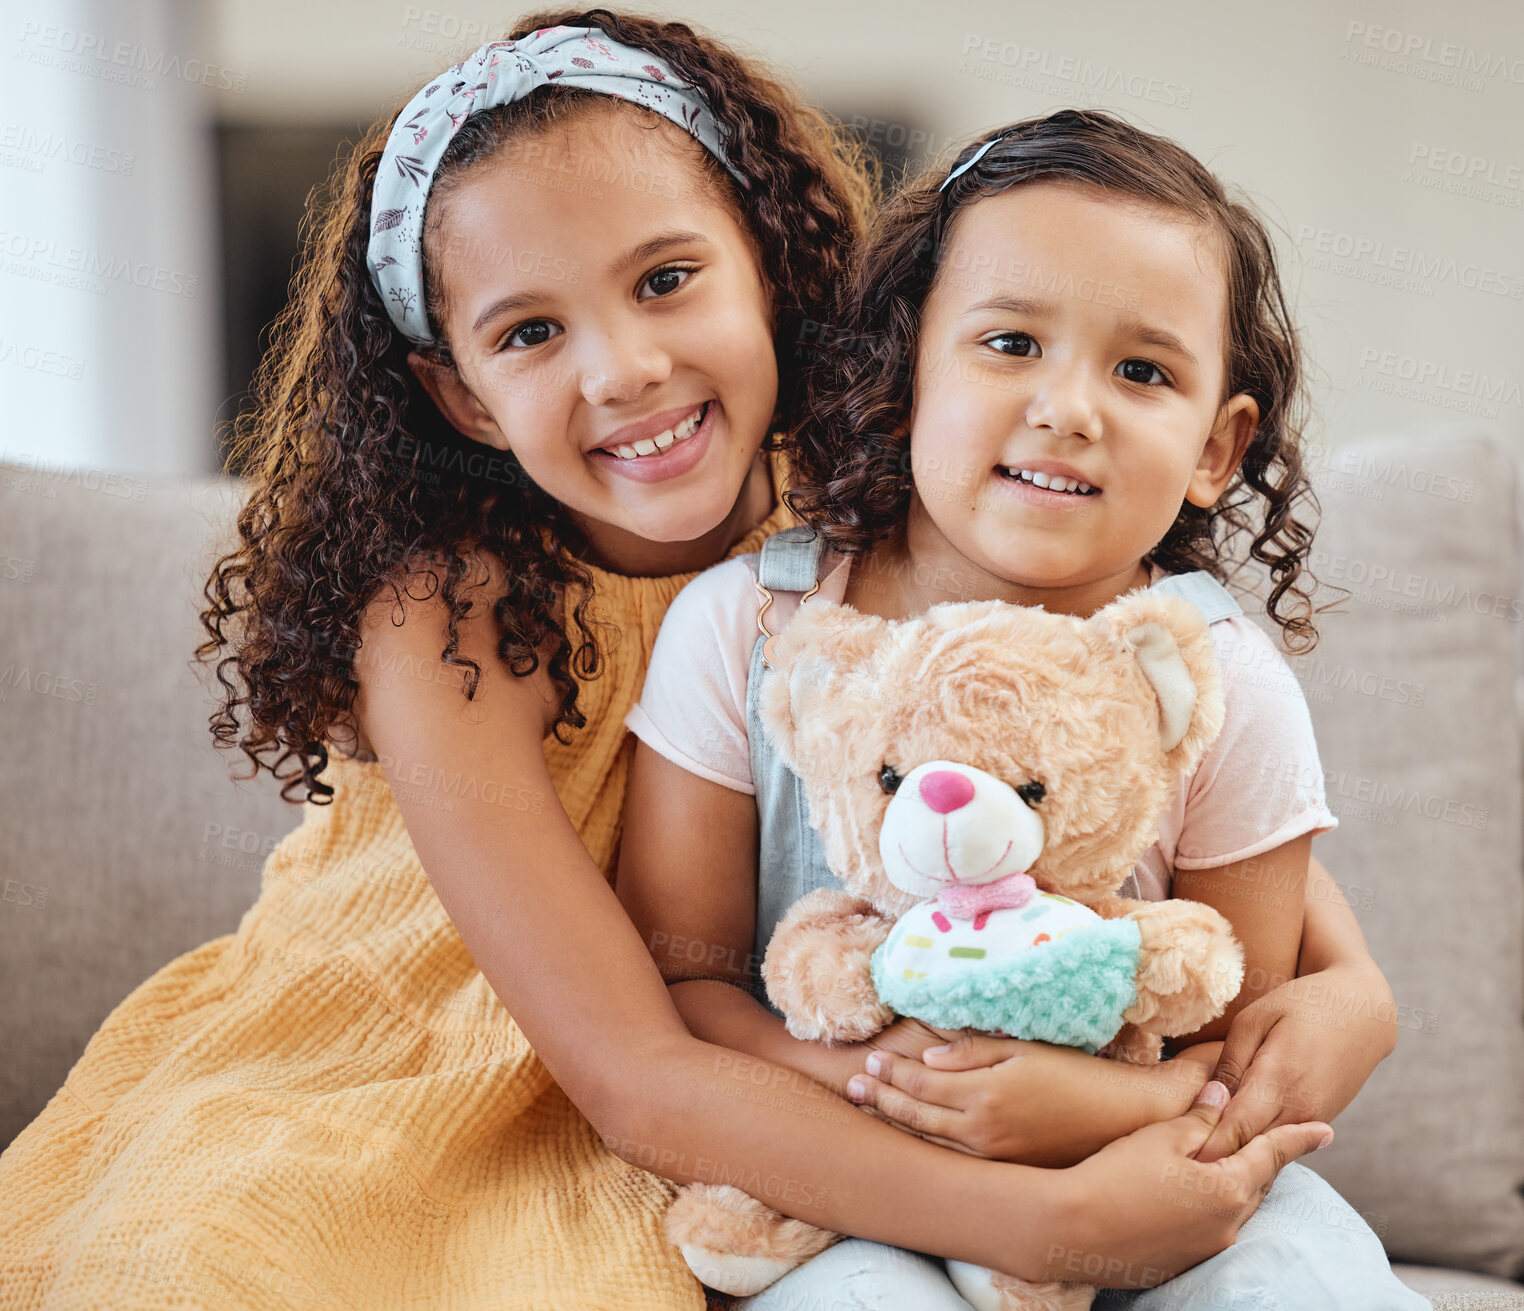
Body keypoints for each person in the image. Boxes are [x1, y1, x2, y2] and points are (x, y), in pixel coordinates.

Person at [0, 19, 1333, 1311]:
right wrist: (1043, 1219)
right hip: (425, 1077)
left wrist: (1355, 1010)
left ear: (765, 260)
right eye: (529, 332)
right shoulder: (449, 611)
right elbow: (633, 1071)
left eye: (665, 279)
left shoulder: (866, 521)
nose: (627, 368)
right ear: (461, 393)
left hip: (735, 1102)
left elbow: (1214, 863)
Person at [620, 109, 1426, 1308]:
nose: (1070, 407)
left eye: (1141, 370)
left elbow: (1233, 1025)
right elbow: (685, 988)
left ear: (1217, 445)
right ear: (905, 377)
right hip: (836, 1180)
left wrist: (1098, 1104)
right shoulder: (752, 630)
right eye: (1009, 343)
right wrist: (885, 1087)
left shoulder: (1216, 679)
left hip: (1149, 1166)